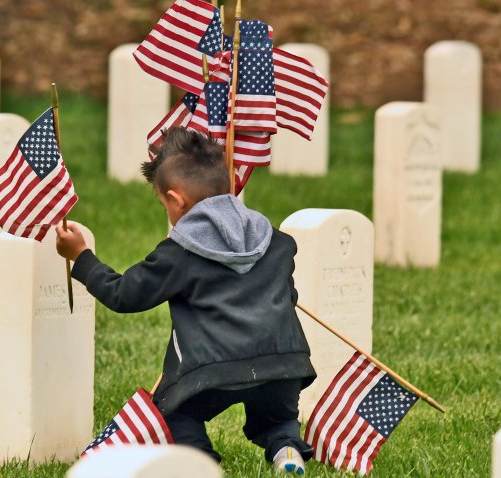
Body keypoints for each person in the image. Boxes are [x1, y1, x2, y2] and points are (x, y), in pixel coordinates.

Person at [56, 127, 316, 475]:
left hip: (210, 370)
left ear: (176, 200)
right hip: (283, 363)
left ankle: (199, 463)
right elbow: (289, 295)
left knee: (177, 414)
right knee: (278, 419)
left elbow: (124, 295)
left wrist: (82, 258)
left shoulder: (179, 253)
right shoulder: (277, 241)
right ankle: (286, 451)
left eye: (164, 204)